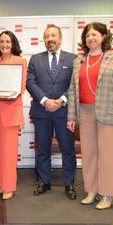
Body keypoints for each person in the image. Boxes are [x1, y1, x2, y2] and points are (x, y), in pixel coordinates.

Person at [67, 22, 113, 210]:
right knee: (89, 154)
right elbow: (72, 91)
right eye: (87, 36)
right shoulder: (78, 61)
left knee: (107, 155)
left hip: (108, 113)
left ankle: (108, 194)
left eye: (94, 34)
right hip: (84, 112)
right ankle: (92, 190)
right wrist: (71, 117)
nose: (90, 38)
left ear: (103, 37)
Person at [26, 25, 77, 200]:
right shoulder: (35, 59)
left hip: (64, 112)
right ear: (44, 40)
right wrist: (45, 100)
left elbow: (75, 84)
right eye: (47, 36)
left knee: (67, 149)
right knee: (42, 149)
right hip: (42, 110)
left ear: (60, 38)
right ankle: (44, 181)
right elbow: (30, 83)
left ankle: (69, 183)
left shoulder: (73, 59)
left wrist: (61, 100)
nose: (50, 39)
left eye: (53, 35)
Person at [0, 30, 27, 200]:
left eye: (8, 42)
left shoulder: (21, 61)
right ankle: (0, 184)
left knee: (9, 151)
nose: (4, 45)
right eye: (2, 41)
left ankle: (9, 186)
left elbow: (22, 87)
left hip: (10, 109)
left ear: (13, 44)